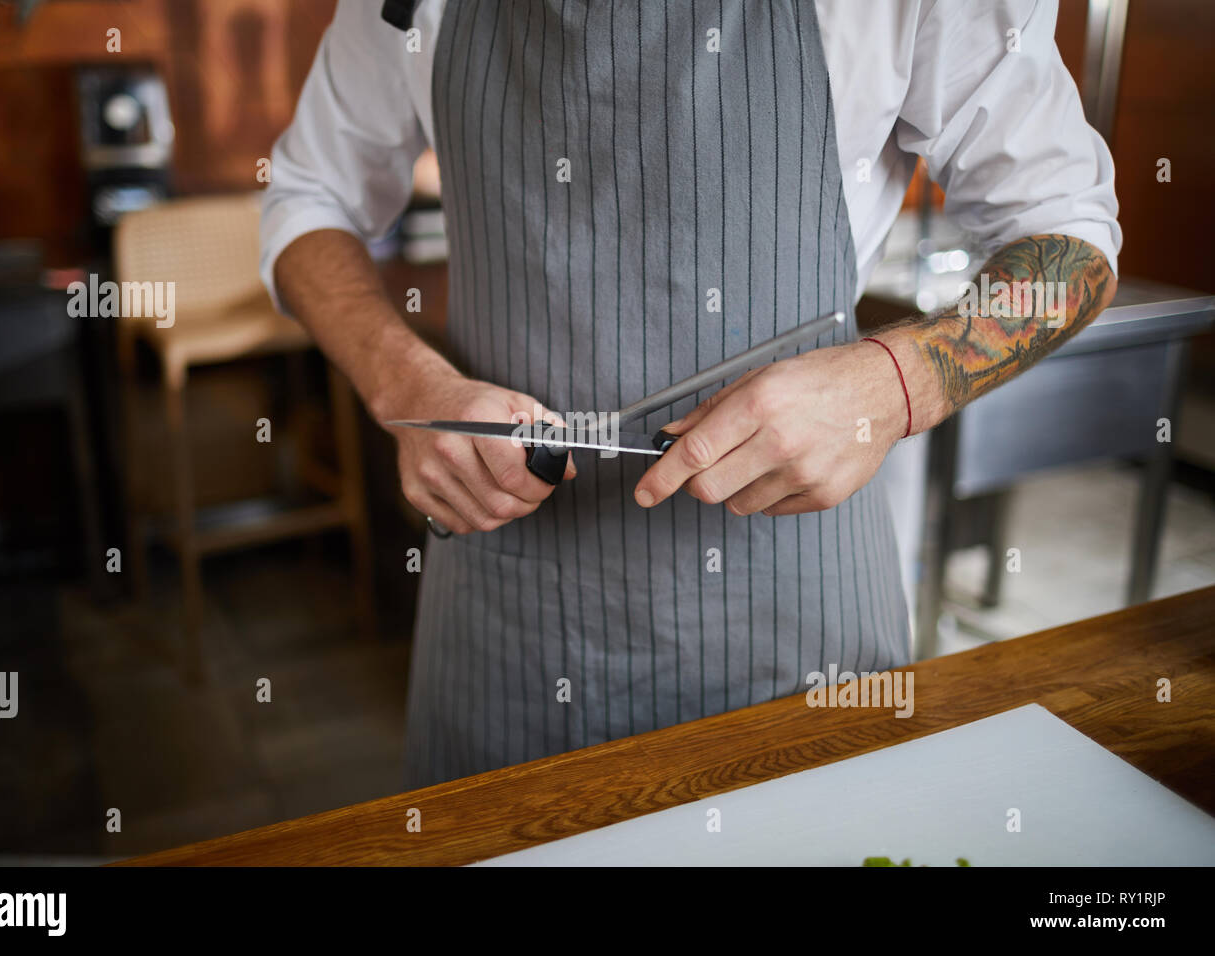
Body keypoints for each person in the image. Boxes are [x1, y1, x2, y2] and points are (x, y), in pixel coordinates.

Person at [260, 0, 1119, 788]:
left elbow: (1071, 236)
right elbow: (307, 196)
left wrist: (896, 382)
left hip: (795, 613)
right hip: (505, 619)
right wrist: (407, 382)